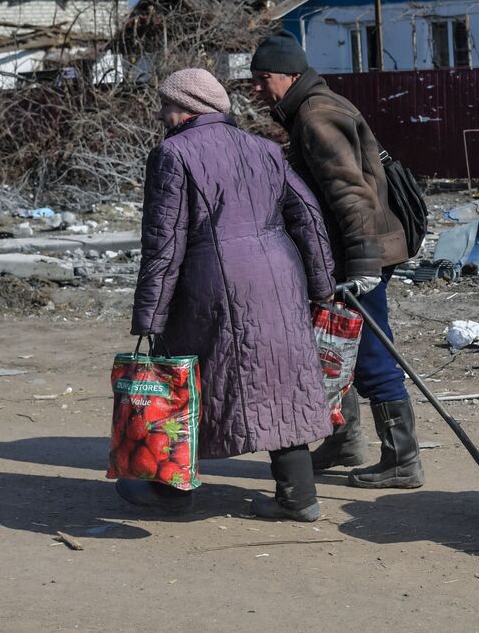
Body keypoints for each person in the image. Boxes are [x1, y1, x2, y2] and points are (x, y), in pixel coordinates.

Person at [127, 68, 336, 521]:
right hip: (279, 279)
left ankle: (172, 491)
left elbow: (164, 243)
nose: (162, 114)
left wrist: (149, 319)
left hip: (210, 282)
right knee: (282, 379)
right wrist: (321, 285)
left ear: (186, 107)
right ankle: (299, 496)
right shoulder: (265, 150)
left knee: (186, 381)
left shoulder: (172, 154)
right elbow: (308, 217)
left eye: (166, 104)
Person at [249, 30, 422, 489]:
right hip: (352, 252)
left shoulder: (316, 115)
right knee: (331, 351)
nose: (259, 88)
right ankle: (342, 441)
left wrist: (364, 265)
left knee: (367, 353)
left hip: (361, 255)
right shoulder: (314, 107)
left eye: (265, 78)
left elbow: (351, 192)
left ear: (290, 74)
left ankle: (403, 460)